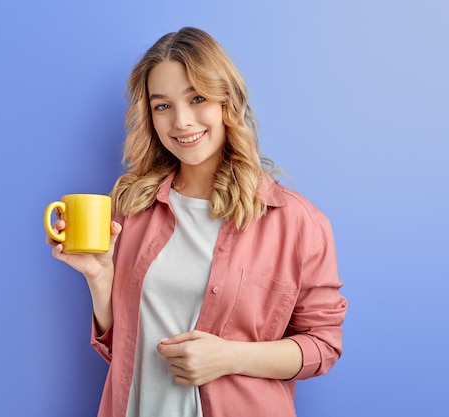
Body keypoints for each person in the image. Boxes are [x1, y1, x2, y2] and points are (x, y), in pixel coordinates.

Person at [46, 26, 347, 417]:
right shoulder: (129, 208)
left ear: (228, 102)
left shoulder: (298, 224)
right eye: (162, 106)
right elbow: (122, 348)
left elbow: (323, 346)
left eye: (198, 98)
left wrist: (230, 357)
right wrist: (99, 280)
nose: (182, 121)